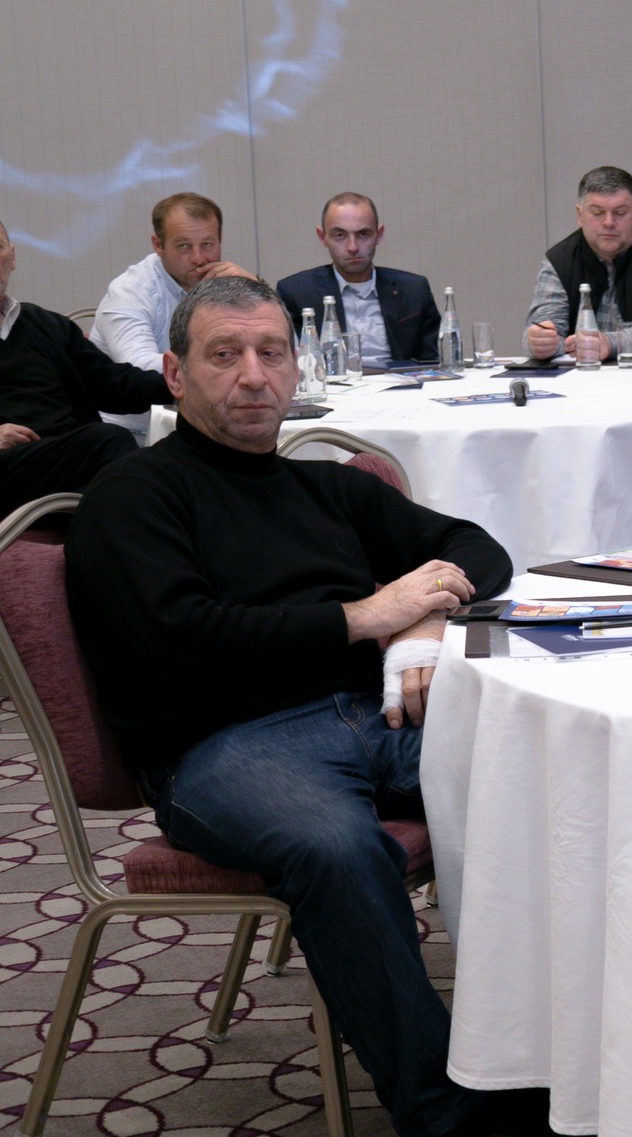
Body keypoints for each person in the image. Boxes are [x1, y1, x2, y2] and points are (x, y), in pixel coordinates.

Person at [65, 277, 543, 1137]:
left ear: (297, 367)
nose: (253, 375)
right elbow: (183, 641)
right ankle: (450, 1116)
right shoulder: (131, 495)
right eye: (225, 354)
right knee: (337, 848)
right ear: (174, 373)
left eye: (272, 353)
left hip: (377, 715)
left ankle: (549, 1059)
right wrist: (366, 616)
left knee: (549, 778)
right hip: (222, 745)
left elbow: (478, 549)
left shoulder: (331, 488)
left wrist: (424, 618)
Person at [0, 219, 169, 515]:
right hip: (10, 465)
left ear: (12, 258)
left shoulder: (44, 324)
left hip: (68, 457)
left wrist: (184, 382)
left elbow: (112, 384)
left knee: (160, 468)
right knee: (111, 444)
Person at [90, 192, 255, 438]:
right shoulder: (130, 291)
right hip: (133, 433)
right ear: (158, 245)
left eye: (207, 244)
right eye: (184, 246)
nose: (199, 258)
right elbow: (137, 365)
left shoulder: (227, 281)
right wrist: (212, 365)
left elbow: (283, 351)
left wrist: (254, 288)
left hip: (209, 425)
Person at [523, 166, 632, 363]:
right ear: (579, 216)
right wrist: (541, 342)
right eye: (597, 212)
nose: (609, 222)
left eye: (620, 212)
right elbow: (544, 325)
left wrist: (609, 344)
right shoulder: (559, 260)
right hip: (578, 375)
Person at [275, 192, 443, 367]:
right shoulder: (297, 293)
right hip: (334, 383)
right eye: (340, 235)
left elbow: (432, 360)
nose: (353, 247)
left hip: (400, 380)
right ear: (322, 237)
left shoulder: (413, 289)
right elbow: (289, 363)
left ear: (379, 235)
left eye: (363, 234)